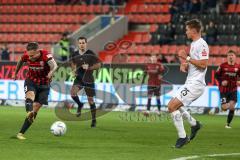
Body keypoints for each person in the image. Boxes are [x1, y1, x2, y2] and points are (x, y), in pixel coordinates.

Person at [167, 19, 209, 148]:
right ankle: (194, 124)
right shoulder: (194, 44)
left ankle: (183, 137)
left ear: (193, 30)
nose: (185, 32)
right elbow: (194, 63)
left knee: (171, 106)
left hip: (196, 84)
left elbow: (203, 64)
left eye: (187, 30)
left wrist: (187, 58)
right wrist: (185, 64)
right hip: (191, 82)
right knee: (176, 105)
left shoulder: (202, 44)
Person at [13, 42, 58, 140]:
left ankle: (20, 133)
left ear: (38, 51)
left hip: (44, 85)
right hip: (31, 81)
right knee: (30, 95)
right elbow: (20, 61)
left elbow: (54, 66)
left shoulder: (46, 55)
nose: (30, 58)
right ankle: (29, 112)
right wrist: (16, 73)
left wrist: (51, 72)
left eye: (32, 55)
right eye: (29, 55)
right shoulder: (27, 56)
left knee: (36, 107)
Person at [70, 37, 102, 127]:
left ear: (86, 43)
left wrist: (89, 67)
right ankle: (80, 105)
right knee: (73, 93)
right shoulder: (75, 54)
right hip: (79, 79)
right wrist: (73, 71)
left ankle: (94, 120)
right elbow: (73, 63)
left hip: (88, 79)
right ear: (78, 44)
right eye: (80, 43)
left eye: (83, 43)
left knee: (91, 100)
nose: (82, 44)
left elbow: (99, 65)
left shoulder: (90, 53)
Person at [215, 50, 240, 129]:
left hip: (233, 90)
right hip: (223, 91)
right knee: (224, 108)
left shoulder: (238, 67)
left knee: (232, 107)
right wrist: (221, 81)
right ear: (227, 57)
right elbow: (216, 75)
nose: (230, 57)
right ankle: (224, 106)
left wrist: (239, 81)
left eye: (232, 55)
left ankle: (228, 124)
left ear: (235, 57)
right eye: (229, 55)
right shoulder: (222, 66)